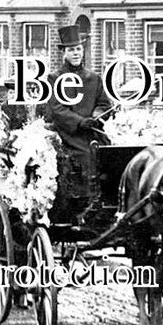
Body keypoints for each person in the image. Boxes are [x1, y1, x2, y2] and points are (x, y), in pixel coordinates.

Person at [45, 24, 111, 202]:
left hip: (93, 131)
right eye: (71, 50)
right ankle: (88, 201)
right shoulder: (54, 78)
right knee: (87, 155)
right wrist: (79, 121)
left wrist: (96, 116)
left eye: (78, 49)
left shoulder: (94, 78)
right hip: (69, 132)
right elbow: (56, 109)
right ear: (64, 52)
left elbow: (104, 104)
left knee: (110, 153)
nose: (76, 53)